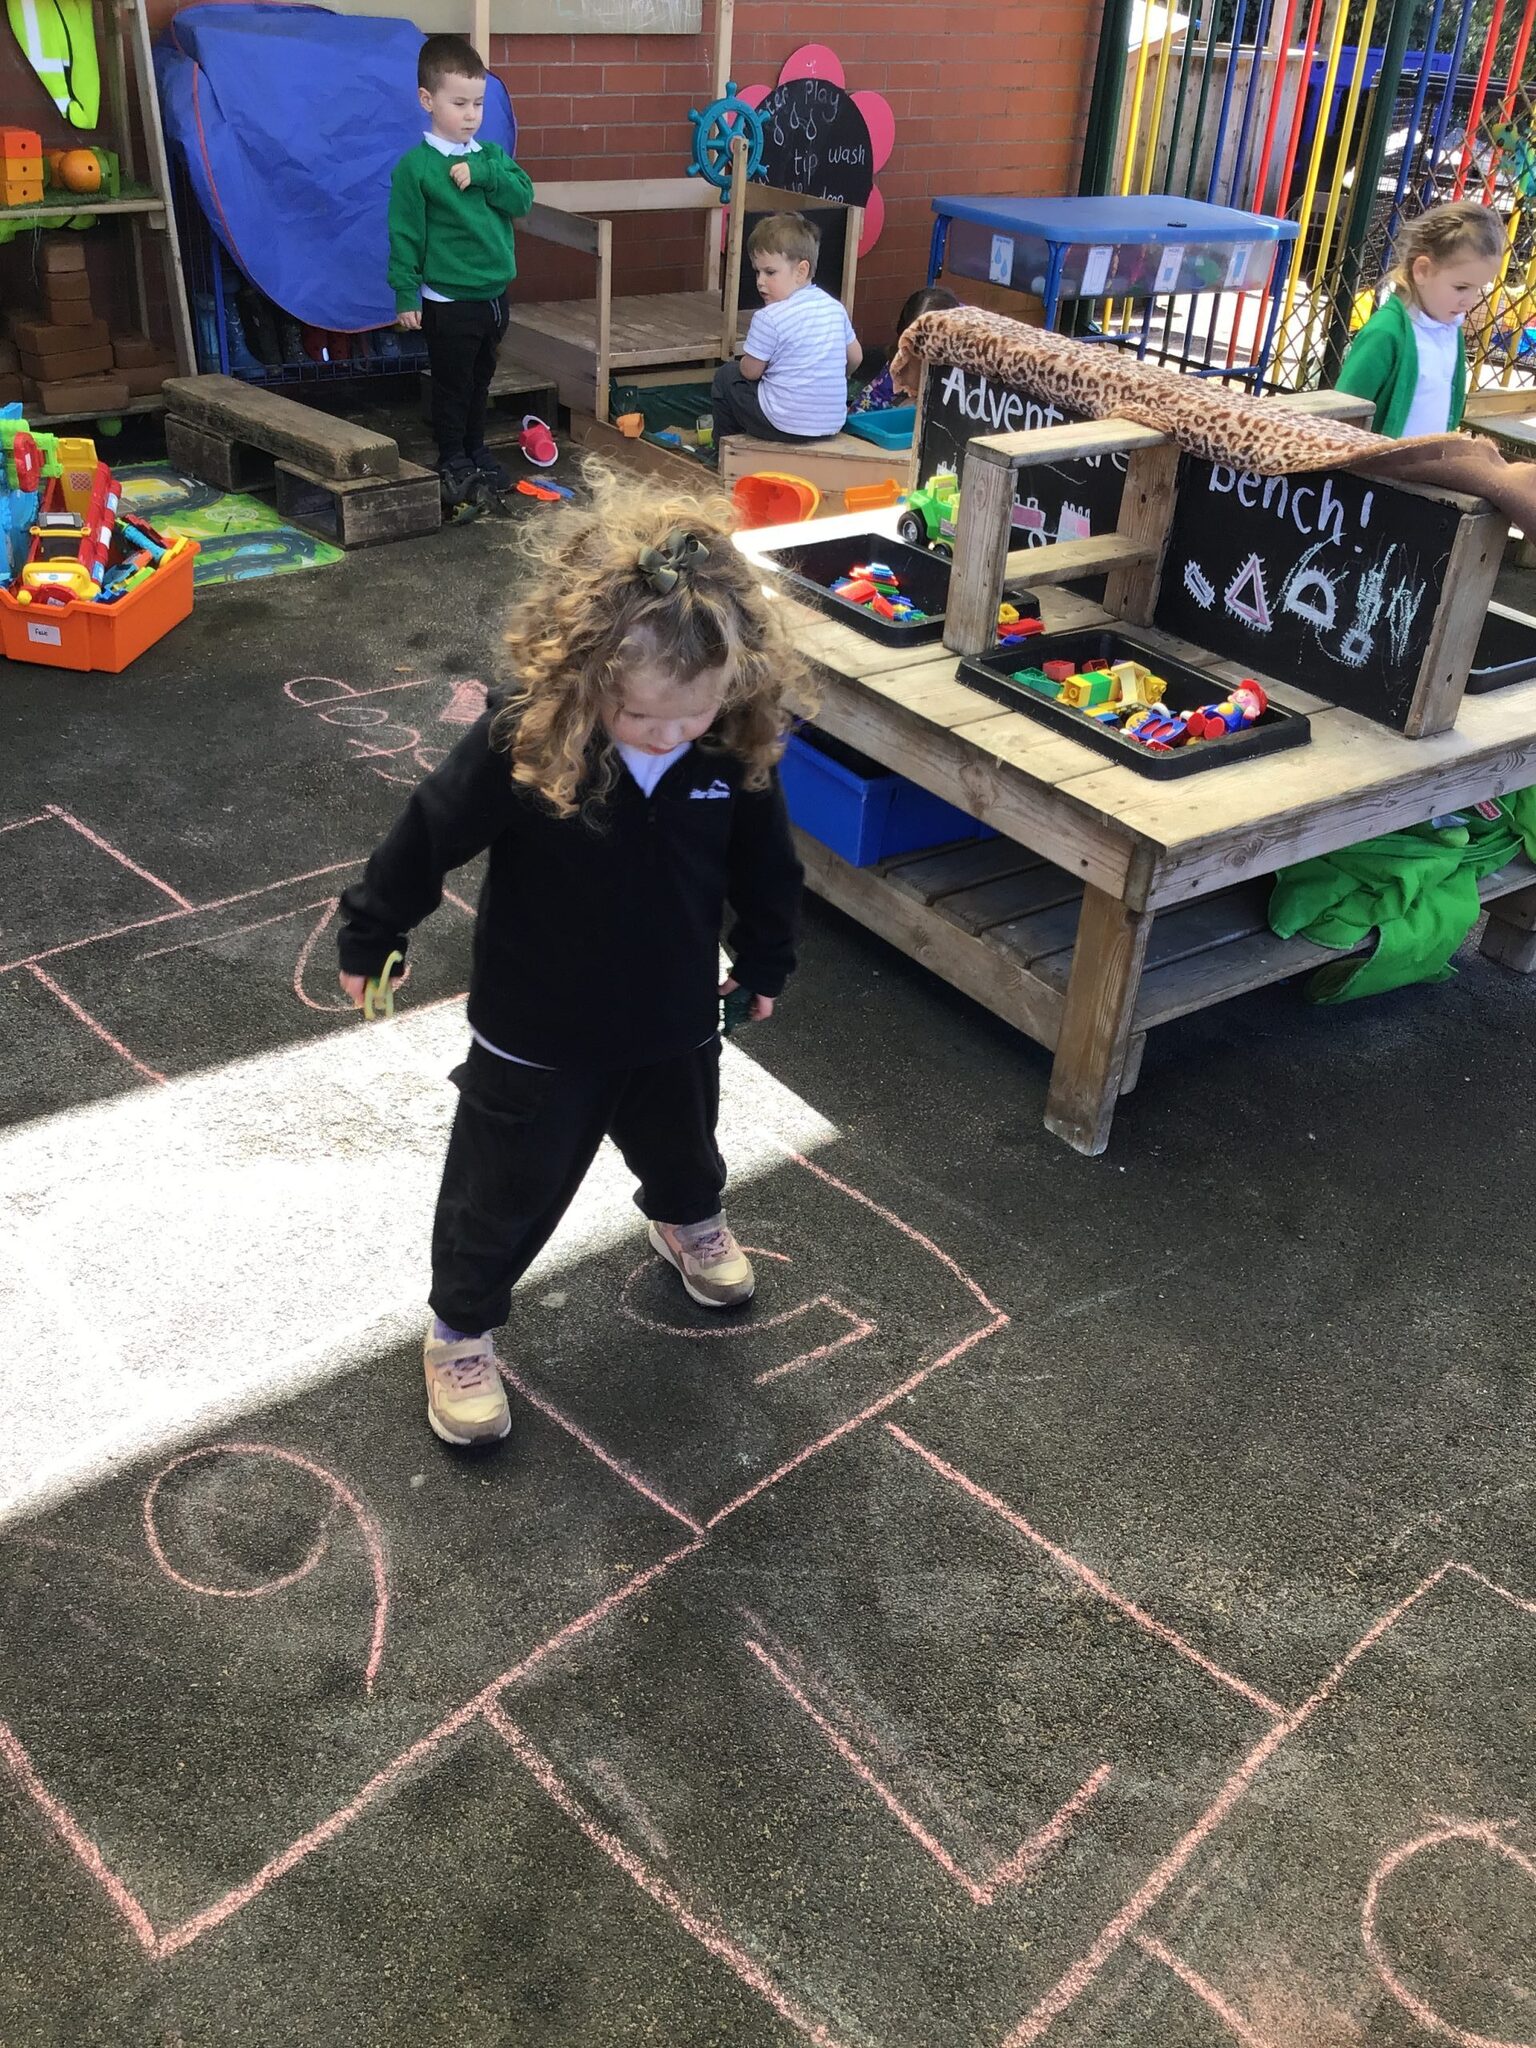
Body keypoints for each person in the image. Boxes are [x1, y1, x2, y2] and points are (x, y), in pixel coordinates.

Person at [336, 467, 809, 1449]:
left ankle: (687, 1219)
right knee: (500, 1190)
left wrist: (766, 960)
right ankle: (460, 1330)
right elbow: (429, 831)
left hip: (673, 1014)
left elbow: (768, 867)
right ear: (589, 676)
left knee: (685, 1144)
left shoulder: (726, 747)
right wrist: (374, 929)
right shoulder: (529, 737)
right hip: (537, 1029)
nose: (669, 735)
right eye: (643, 717)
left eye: (692, 715)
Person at [388, 34, 535, 503]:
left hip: (494, 297)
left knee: (481, 380)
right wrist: (406, 293)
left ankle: (477, 448)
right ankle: (452, 457)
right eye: (459, 103)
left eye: (478, 103)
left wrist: (486, 176)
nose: (471, 114)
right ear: (427, 100)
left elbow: (522, 199)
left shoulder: (490, 157)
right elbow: (406, 234)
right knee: (453, 384)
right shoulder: (416, 169)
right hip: (449, 301)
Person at [1336, 200, 1508, 438]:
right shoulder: (1386, 333)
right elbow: (1343, 411)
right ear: (1423, 270)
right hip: (1382, 459)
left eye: (1478, 289)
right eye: (1461, 287)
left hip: (1426, 458)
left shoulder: (1450, 330)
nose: (1469, 301)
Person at [710, 212, 862, 452]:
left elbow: (750, 372)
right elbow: (856, 358)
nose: (760, 281)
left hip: (782, 424)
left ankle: (724, 451)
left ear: (801, 271)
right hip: (831, 423)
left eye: (770, 272)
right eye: (757, 272)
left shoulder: (769, 317)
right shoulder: (834, 307)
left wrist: (752, 365)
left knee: (726, 376)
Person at [852, 285, 959, 413]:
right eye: (914, 345)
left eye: (932, 347)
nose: (922, 354)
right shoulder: (897, 365)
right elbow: (861, 410)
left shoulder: (969, 363)